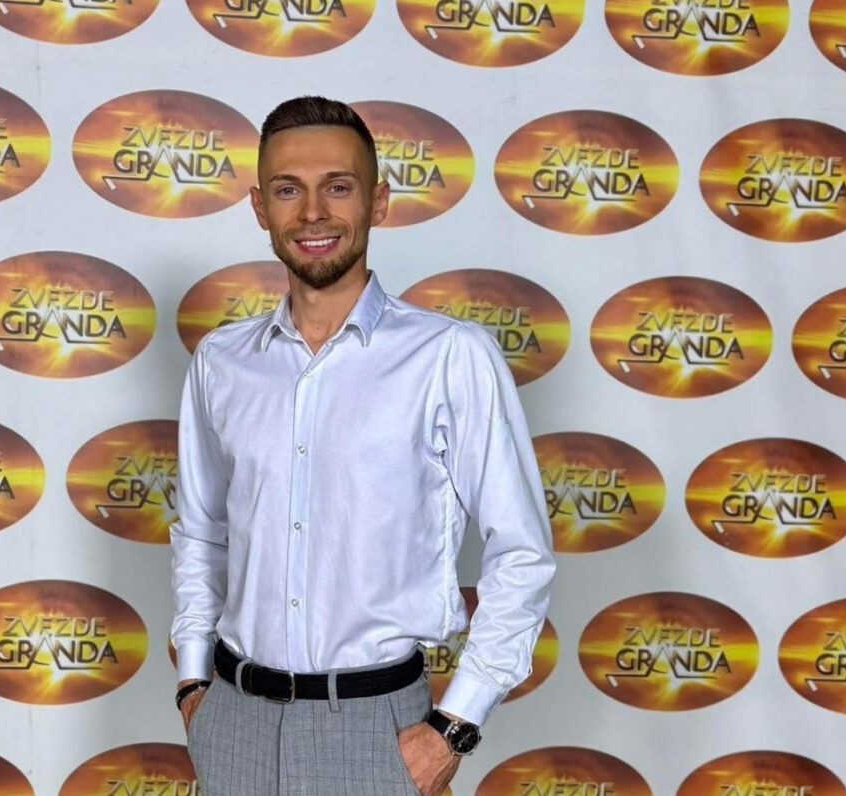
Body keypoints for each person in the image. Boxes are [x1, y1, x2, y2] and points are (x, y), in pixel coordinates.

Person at [169, 95, 556, 796]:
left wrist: (455, 726)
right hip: (231, 722)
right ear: (260, 207)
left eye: (338, 187)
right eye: (289, 189)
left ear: (378, 201)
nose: (313, 212)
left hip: (380, 729)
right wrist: (195, 683)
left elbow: (522, 551)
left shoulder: (449, 357)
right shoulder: (222, 362)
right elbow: (202, 532)